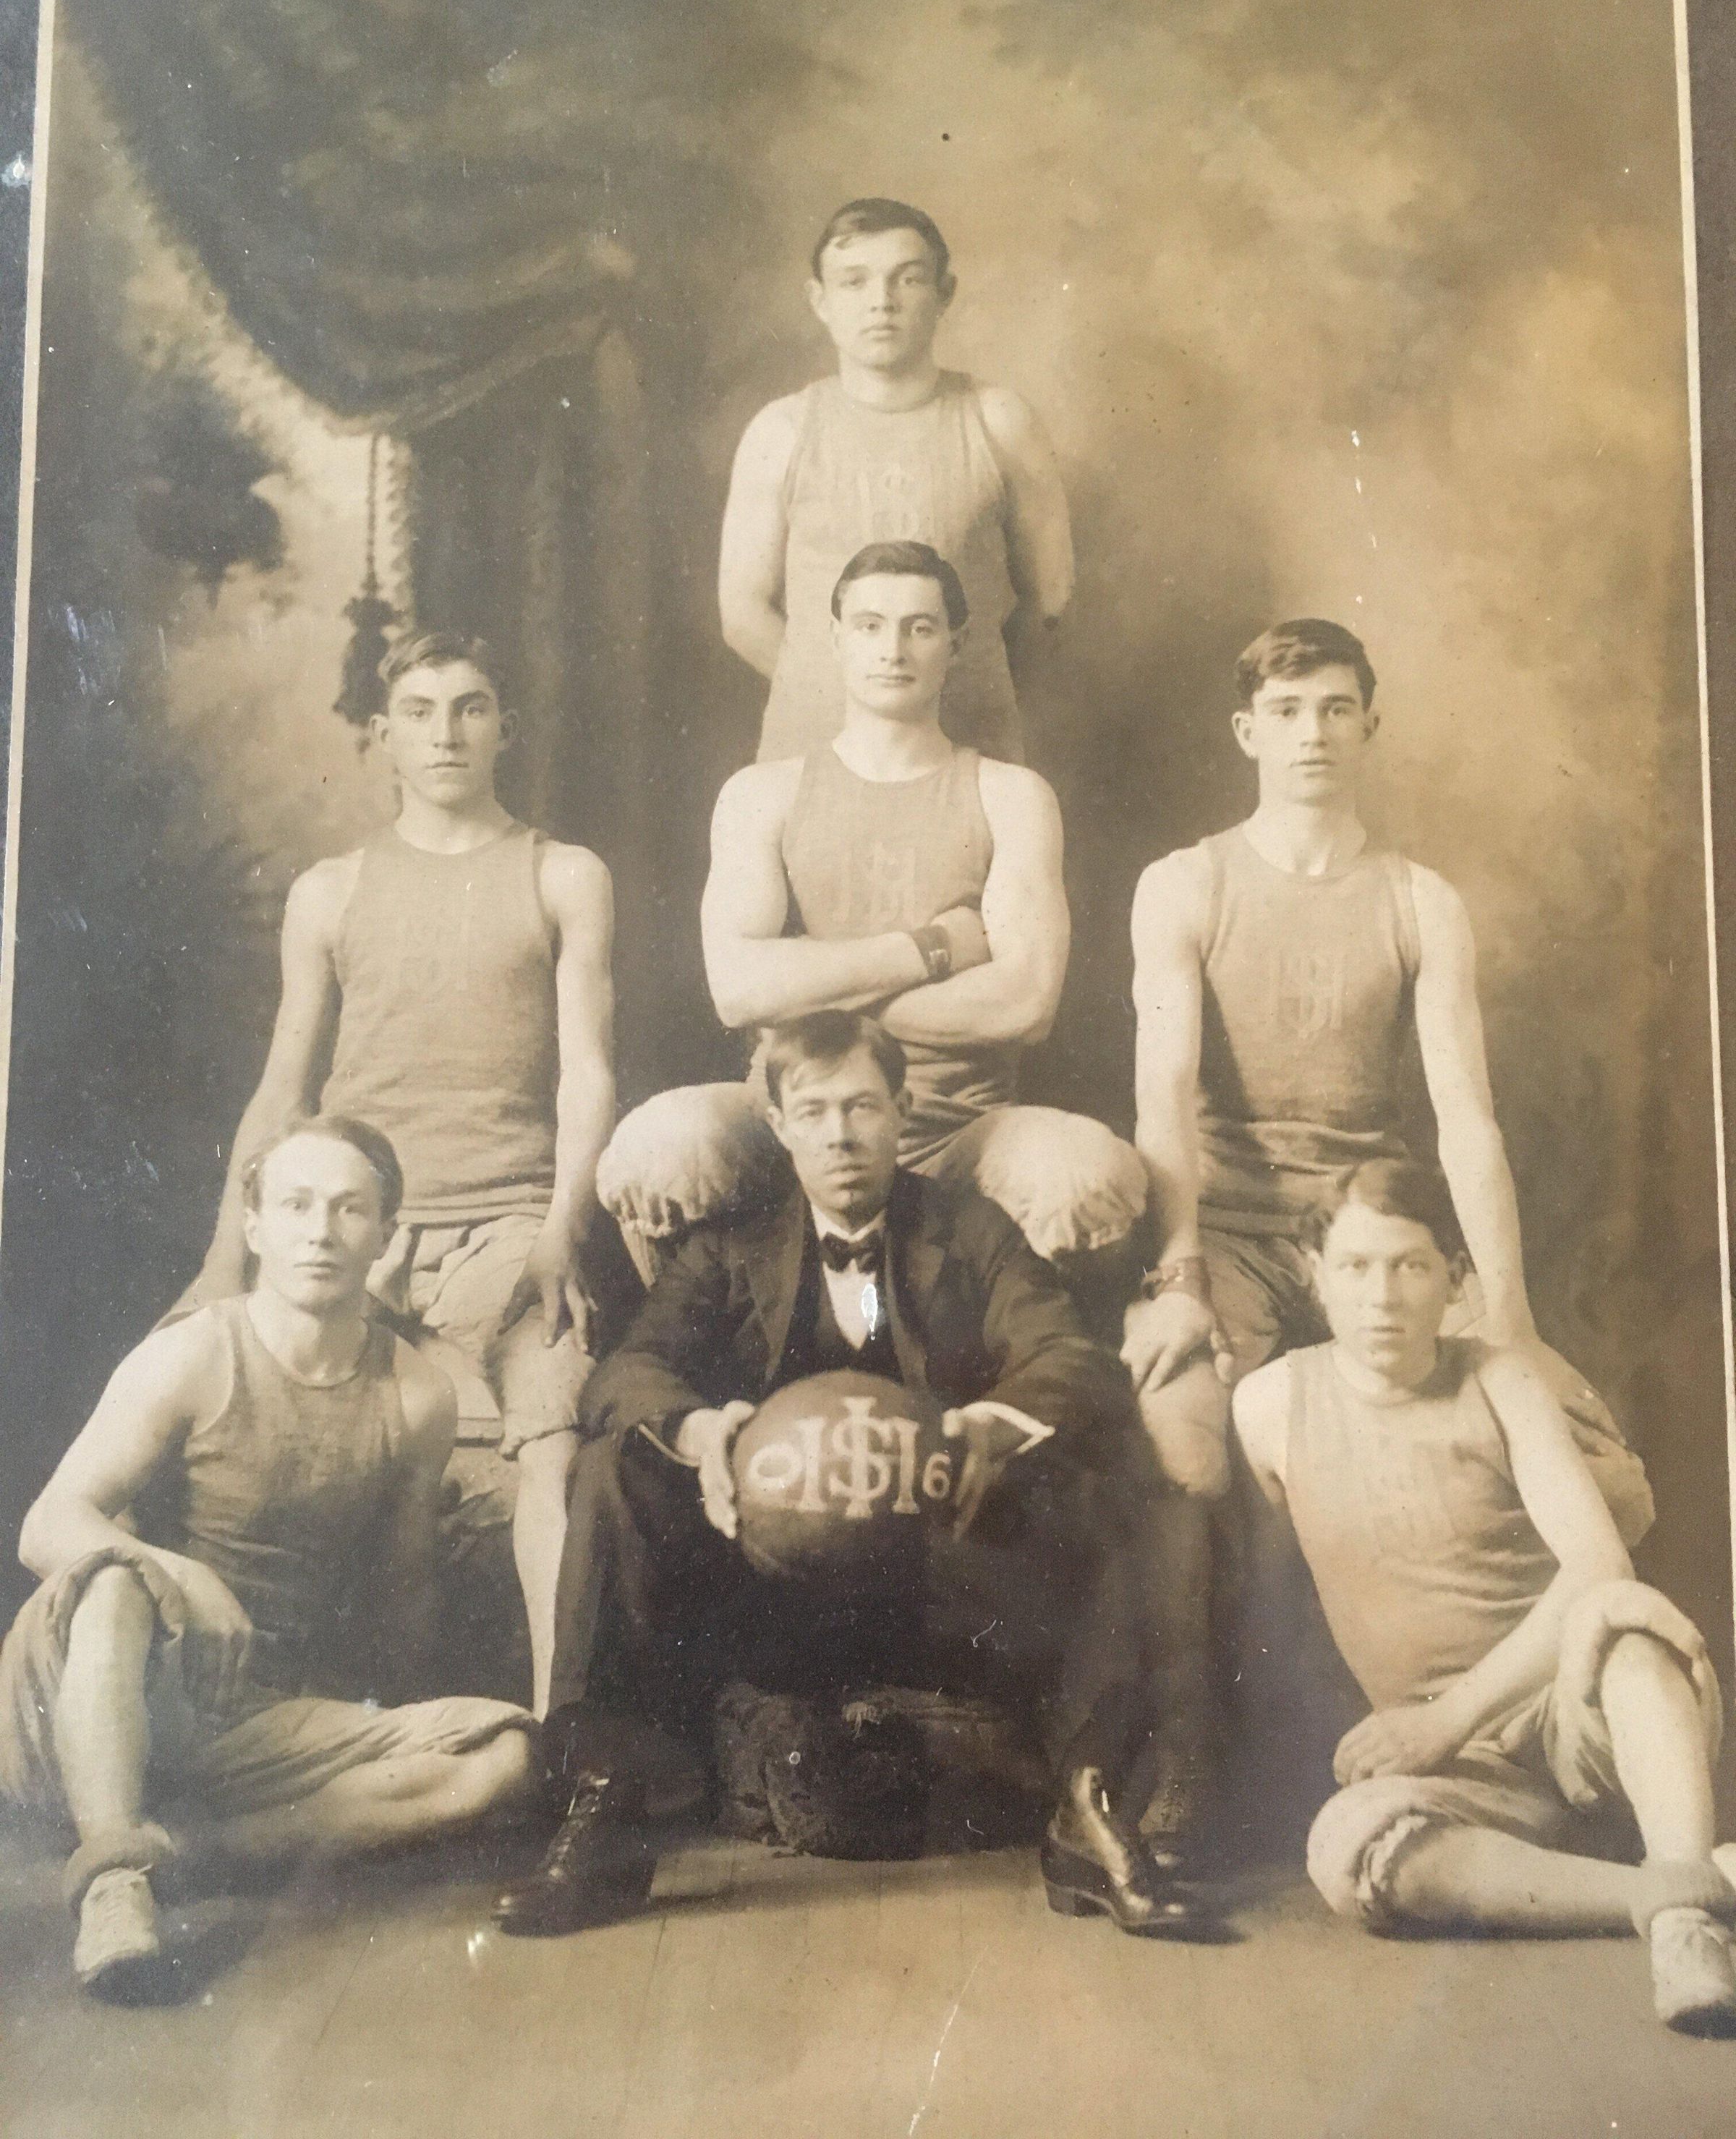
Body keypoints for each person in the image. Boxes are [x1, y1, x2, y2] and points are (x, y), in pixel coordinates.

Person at [1118, 617, 1652, 1858]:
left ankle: (1526, 1737)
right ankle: (1200, 1748)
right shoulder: (1187, 883)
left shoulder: (1420, 900)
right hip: (1235, 1234)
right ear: (1247, 731)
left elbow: (1467, 1118)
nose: (1312, 733)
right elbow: (1163, 1099)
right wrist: (1180, 1274)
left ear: (1370, 725)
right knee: (1186, 1446)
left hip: (1370, 1236)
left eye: (1335, 709)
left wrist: (1505, 1316)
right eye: (1287, 711)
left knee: (1603, 1474)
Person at [495, 1011, 1196, 1942]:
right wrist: (702, 1429)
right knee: (617, 1468)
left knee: (1102, 1466)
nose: (841, 1134)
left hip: (940, 1575)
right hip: (769, 1583)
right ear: (779, 1124)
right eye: (816, 1111)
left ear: (902, 1110)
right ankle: (607, 1808)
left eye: (863, 1106)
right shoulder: (729, 1243)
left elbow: (1070, 1355)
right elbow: (630, 1369)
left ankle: (1089, 1806)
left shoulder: (971, 1230)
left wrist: (992, 1422)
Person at [179, 629, 634, 1717]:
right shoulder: (330, 892)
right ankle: (255, 1719)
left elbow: (588, 1075)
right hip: (354, 1225)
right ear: (383, 736)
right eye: (421, 713)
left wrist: (561, 1230)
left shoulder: (563, 874)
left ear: (504, 727)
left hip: (509, 1226)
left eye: (471, 707)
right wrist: (221, 1261)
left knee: (553, 1442)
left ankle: (557, 1729)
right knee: (233, 1413)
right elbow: (284, 1089)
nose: (446, 734)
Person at [0, 1117, 541, 2002]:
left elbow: (403, 1600)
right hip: (98, 1689)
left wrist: (380, 1734)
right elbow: (45, 1524)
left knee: (504, 1754)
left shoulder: (416, 1394)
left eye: (348, 1208)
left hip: (249, 1716)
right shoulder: (193, 1352)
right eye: (295, 1205)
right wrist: (185, 1575)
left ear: (384, 1233)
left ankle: (186, 1852)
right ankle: (113, 1881)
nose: (320, 1231)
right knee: (115, 1580)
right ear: (253, 1226)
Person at [1233, 1157, 1735, 2038]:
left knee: (1627, 1626)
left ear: (1456, 1278)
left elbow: (1598, 1563)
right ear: (1316, 1274)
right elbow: (1280, 1603)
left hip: (1574, 1714)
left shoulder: (1500, 1378)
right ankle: (1680, 1892)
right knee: (1349, 1847)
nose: (1382, 1295)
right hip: (1463, 1773)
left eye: (1410, 1264)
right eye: (1356, 1265)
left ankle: (1688, 1927)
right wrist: (1401, 1734)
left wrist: (1448, 1715)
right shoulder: (1269, 1403)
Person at [600, 540, 1146, 1277]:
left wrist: (807, 989)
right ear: (835, 639)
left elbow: (1024, 1002)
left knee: (1082, 1168)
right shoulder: (762, 794)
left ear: (955, 644)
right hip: (792, 1118)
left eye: (920, 627)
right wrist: (935, 947)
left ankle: (1015, 1349)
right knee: (661, 1142)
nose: (893, 649)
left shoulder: (1010, 795)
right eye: (869, 626)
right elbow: (738, 991)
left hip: (956, 1129)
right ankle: (717, 1340)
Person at [718, 197, 1073, 763]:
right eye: (854, 281)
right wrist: (852, 694)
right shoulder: (781, 430)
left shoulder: (1000, 420)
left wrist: (965, 679)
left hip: (965, 741)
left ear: (944, 293)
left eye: (907, 279)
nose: (881, 302)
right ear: (820, 300)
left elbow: (1048, 597)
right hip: (817, 742)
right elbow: (743, 612)